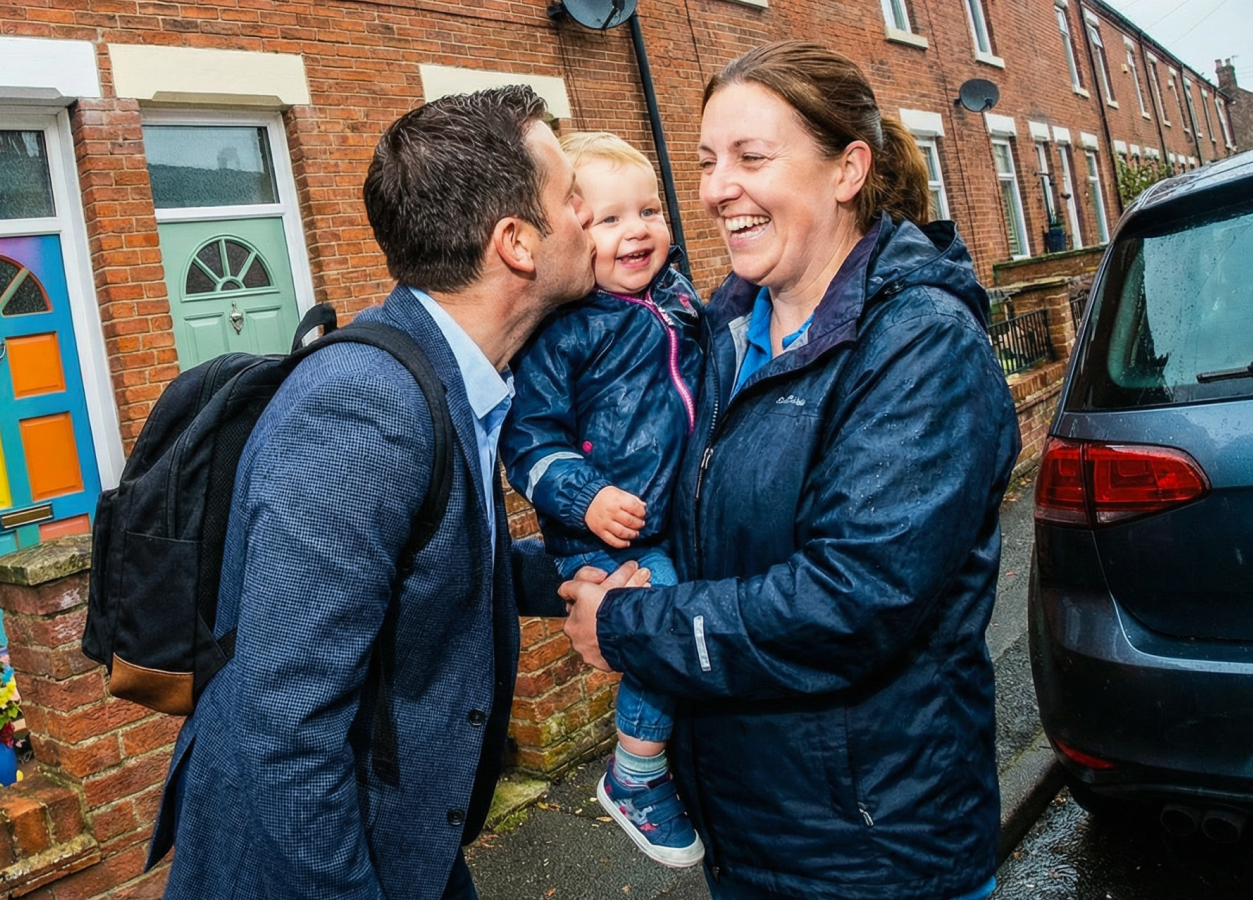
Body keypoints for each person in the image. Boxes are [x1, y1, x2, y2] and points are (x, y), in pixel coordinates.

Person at [559, 41, 1020, 900]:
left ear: (848, 170)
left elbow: (850, 601)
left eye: (750, 157)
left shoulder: (919, 345)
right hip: (747, 839)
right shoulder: (715, 333)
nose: (714, 188)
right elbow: (682, 525)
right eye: (704, 162)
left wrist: (626, 624)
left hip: (872, 854)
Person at [150, 85, 597, 900]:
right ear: (517, 244)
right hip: (313, 866)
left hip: (403, 841)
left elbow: (426, 565)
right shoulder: (363, 410)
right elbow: (286, 723)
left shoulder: (449, 371)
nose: (588, 215)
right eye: (571, 198)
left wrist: (564, 574)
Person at [500, 131, 705, 868]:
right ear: (574, 234)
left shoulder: (678, 299)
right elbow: (527, 443)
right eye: (611, 219)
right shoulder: (564, 331)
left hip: (668, 515)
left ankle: (674, 756)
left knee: (696, 608)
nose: (638, 230)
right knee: (661, 609)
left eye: (649, 210)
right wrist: (585, 498)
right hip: (606, 529)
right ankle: (635, 773)